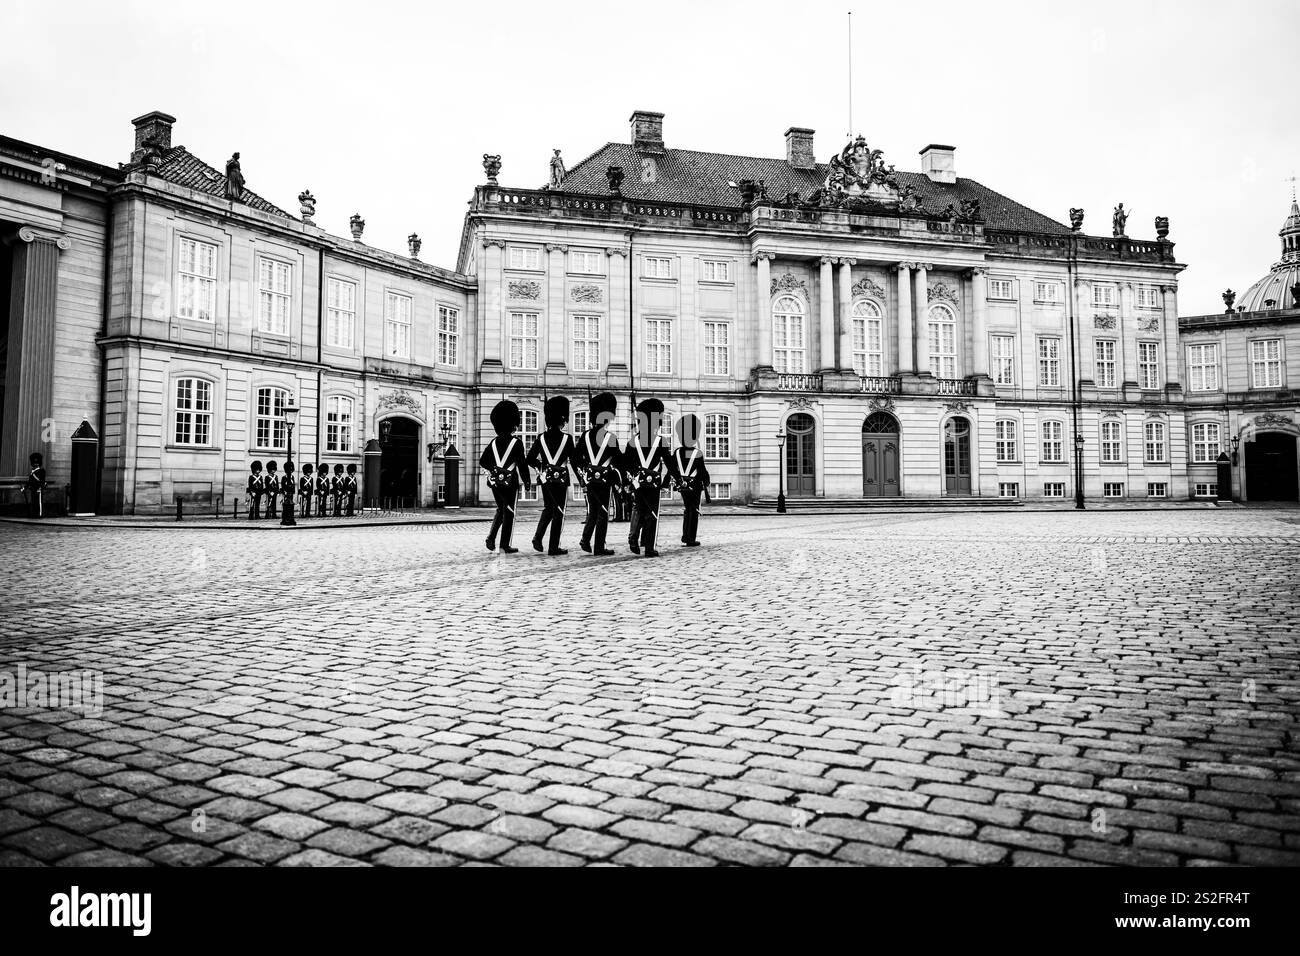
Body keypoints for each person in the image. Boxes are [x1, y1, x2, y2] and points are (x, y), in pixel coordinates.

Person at [622, 398, 675, 558]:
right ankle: (649, 548)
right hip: (653, 484)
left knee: (638, 508)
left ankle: (633, 536)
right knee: (652, 512)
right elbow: (670, 464)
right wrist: (669, 482)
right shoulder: (661, 442)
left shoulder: (633, 442)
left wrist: (629, 481)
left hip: (638, 483)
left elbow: (626, 464)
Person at [573, 392, 620, 556]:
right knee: (603, 512)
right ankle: (599, 546)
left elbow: (575, 459)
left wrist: (582, 477)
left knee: (593, 511)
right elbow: (619, 460)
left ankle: (585, 539)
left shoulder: (585, 436)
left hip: (590, 480)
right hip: (604, 481)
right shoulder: (611, 438)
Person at [481, 399, 531, 553]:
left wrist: (496, 470)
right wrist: (527, 481)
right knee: (509, 511)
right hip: (510, 484)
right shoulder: (517, 443)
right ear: (513, 424)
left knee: (501, 509)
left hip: (496, 483)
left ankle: (491, 537)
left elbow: (483, 461)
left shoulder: (493, 442)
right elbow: (522, 464)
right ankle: (504, 545)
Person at [526, 395, 575, 555]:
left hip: (546, 478)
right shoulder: (567, 439)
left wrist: (542, 467)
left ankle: (538, 537)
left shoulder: (541, 438)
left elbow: (530, 458)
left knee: (548, 509)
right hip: (561, 479)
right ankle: (553, 547)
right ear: (562, 420)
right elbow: (574, 460)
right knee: (559, 511)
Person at [673, 414, 712, 547]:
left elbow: (674, 469)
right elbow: (702, 471)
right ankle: (690, 538)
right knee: (693, 510)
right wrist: (707, 481)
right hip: (694, 486)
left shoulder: (677, 452)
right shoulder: (697, 453)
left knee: (687, 509)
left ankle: (685, 535)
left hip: (683, 485)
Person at [23, 452, 48, 519]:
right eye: (34, 463)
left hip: (38, 489)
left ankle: (39, 514)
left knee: (39, 503)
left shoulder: (41, 471)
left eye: (37, 463)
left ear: (39, 464)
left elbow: (41, 481)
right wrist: (25, 488)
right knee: (34, 502)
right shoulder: (32, 472)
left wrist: (34, 476)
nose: (35, 464)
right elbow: (29, 482)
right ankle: (34, 514)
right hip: (33, 489)